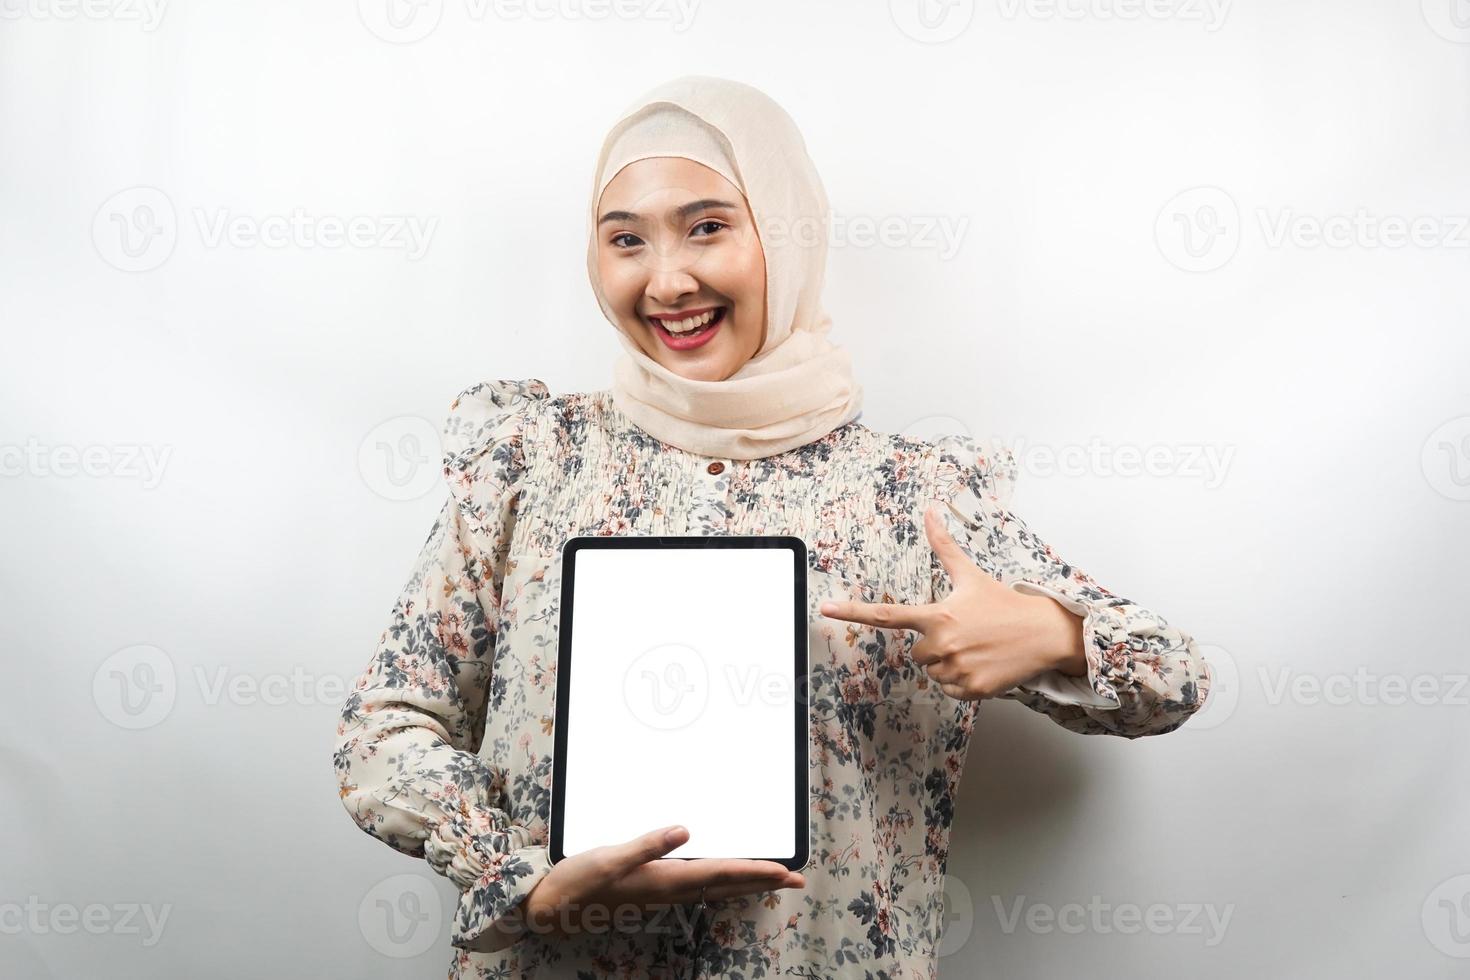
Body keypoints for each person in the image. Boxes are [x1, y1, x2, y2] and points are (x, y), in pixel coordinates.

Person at [332, 74, 1213, 980]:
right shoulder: (530, 460)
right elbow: (385, 728)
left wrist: (1052, 634)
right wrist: (523, 880)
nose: (667, 279)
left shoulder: (911, 495)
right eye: (625, 240)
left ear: (787, 233)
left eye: (708, 226)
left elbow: (1174, 677)